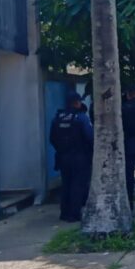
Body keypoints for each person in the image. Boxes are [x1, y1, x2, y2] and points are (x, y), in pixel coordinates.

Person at [49, 93, 93, 222]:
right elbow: (90, 136)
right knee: (78, 184)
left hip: (63, 156)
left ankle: (64, 212)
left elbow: (52, 138)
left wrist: (61, 149)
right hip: (80, 156)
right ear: (77, 103)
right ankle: (74, 213)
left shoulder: (57, 117)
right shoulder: (81, 118)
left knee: (66, 184)